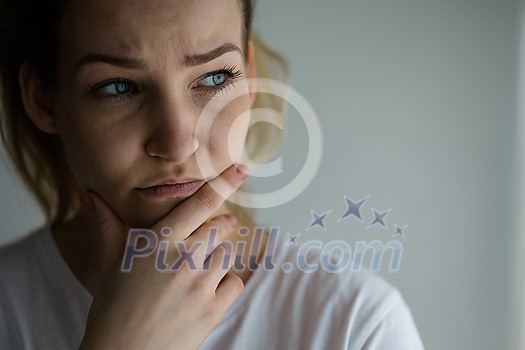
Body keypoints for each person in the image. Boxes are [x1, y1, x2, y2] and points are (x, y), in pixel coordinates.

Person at [0, 0, 425, 349]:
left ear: (250, 76)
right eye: (118, 87)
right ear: (42, 99)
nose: (178, 142)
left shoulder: (356, 323)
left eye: (215, 77)